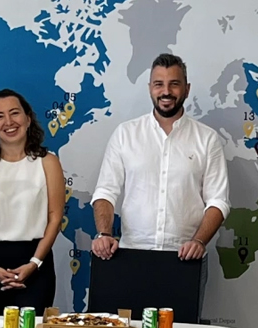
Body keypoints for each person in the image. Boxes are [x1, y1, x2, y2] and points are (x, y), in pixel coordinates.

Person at [89, 54, 231, 292]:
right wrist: (104, 233)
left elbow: (218, 201)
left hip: (185, 259)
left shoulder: (207, 139)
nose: (166, 91)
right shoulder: (126, 134)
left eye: (174, 84)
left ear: (186, 89)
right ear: (150, 89)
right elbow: (105, 191)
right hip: (130, 255)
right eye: (159, 84)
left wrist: (198, 241)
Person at [0, 88, 66, 314]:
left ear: (28, 119)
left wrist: (34, 263)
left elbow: (55, 217)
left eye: (14, 113)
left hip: (35, 263)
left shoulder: (48, 162)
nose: (8, 122)